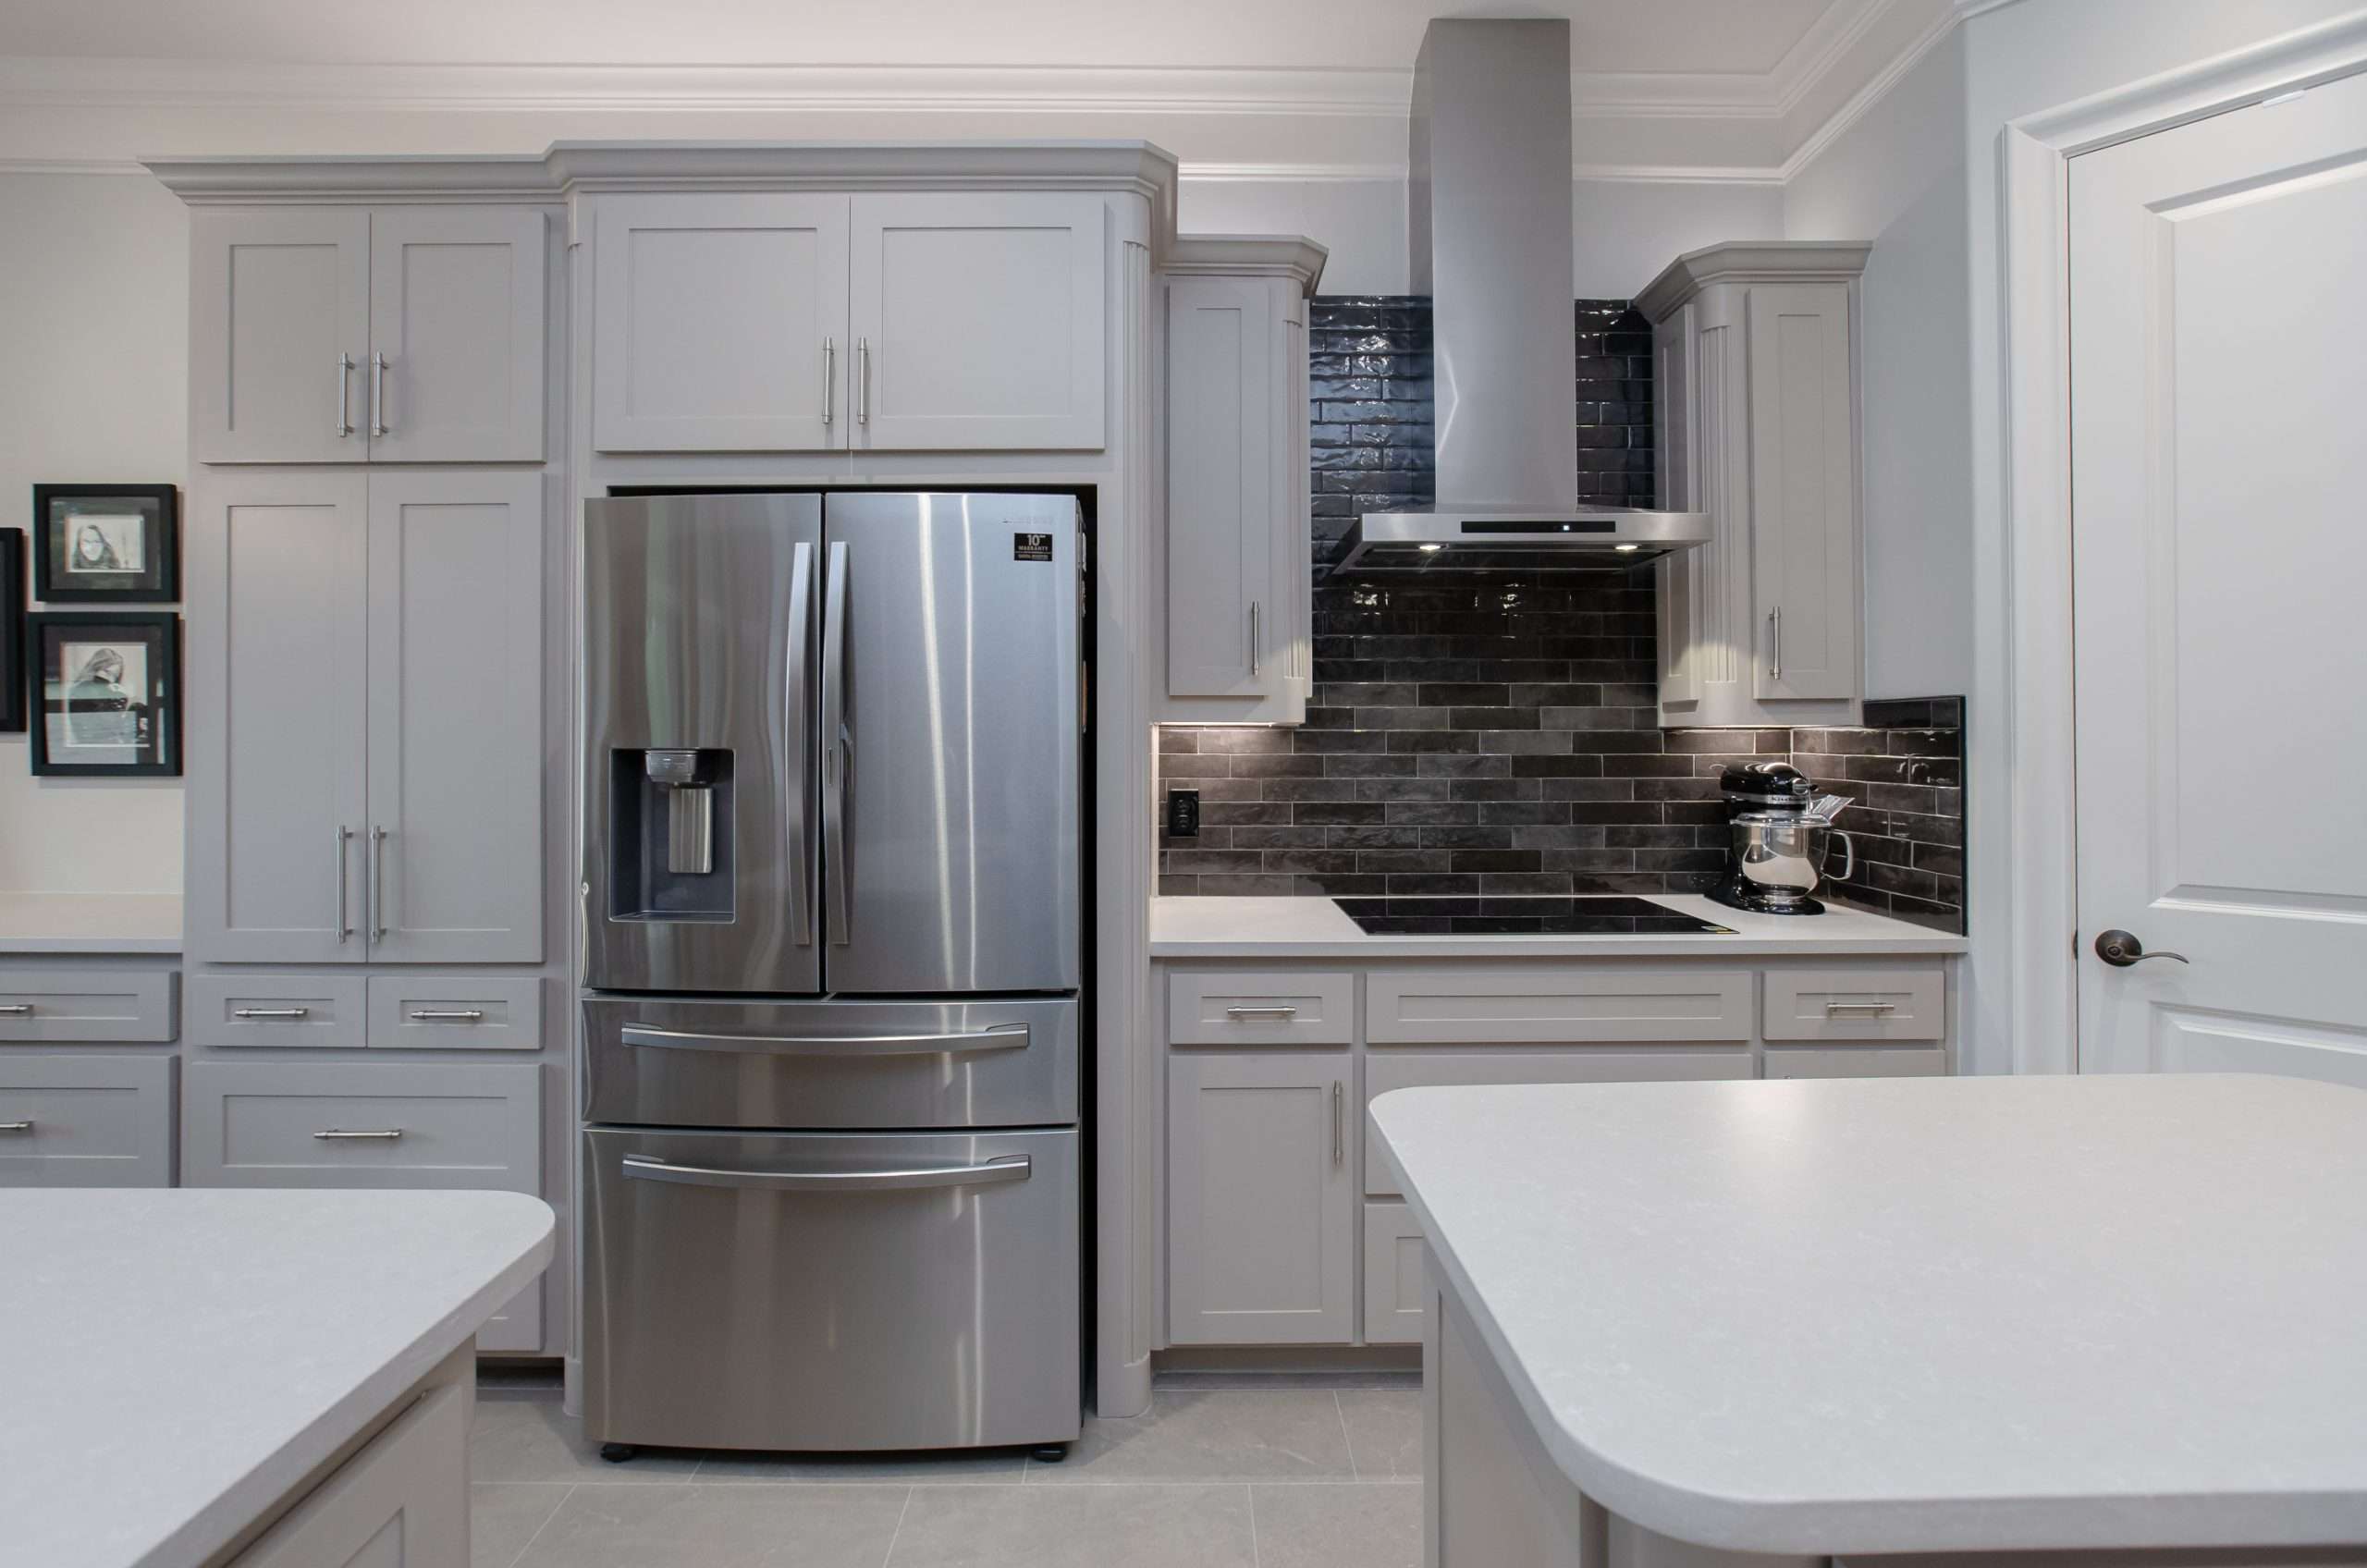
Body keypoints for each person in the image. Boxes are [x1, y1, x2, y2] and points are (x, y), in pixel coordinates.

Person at [62, 646, 140, 750]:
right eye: (107, 672)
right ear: (96, 668)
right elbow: (104, 727)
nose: (110, 679)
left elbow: (116, 728)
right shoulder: (84, 689)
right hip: (92, 747)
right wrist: (119, 698)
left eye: (115, 675)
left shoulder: (101, 691)